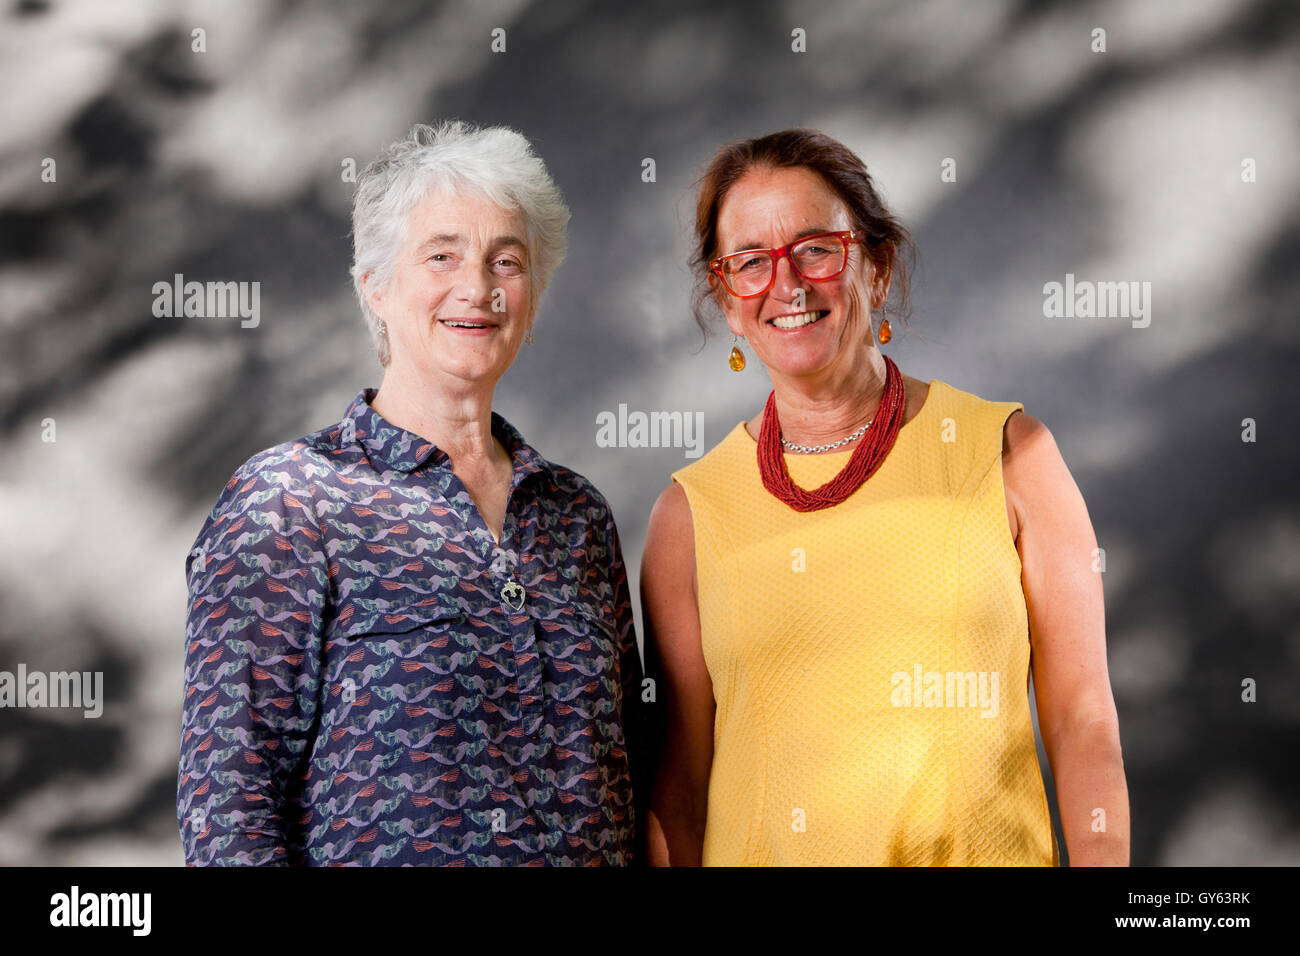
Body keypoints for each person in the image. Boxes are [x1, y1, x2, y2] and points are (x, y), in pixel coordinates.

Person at [641, 128, 1128, 866]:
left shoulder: (1011, 453)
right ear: (727, 299)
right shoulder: (689, 514)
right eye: (750, 263)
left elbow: (1084, 723)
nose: (788, 285)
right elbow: (677, 792)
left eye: (816, 248)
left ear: (876, 264)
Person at [177, 121, 641, 866]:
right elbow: (229, 808)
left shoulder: (575, 515)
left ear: (534, 294)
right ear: (377, 287)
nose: (478, 287)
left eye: (507, 261)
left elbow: (633, 779)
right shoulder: (290, 502)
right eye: (442, 255)